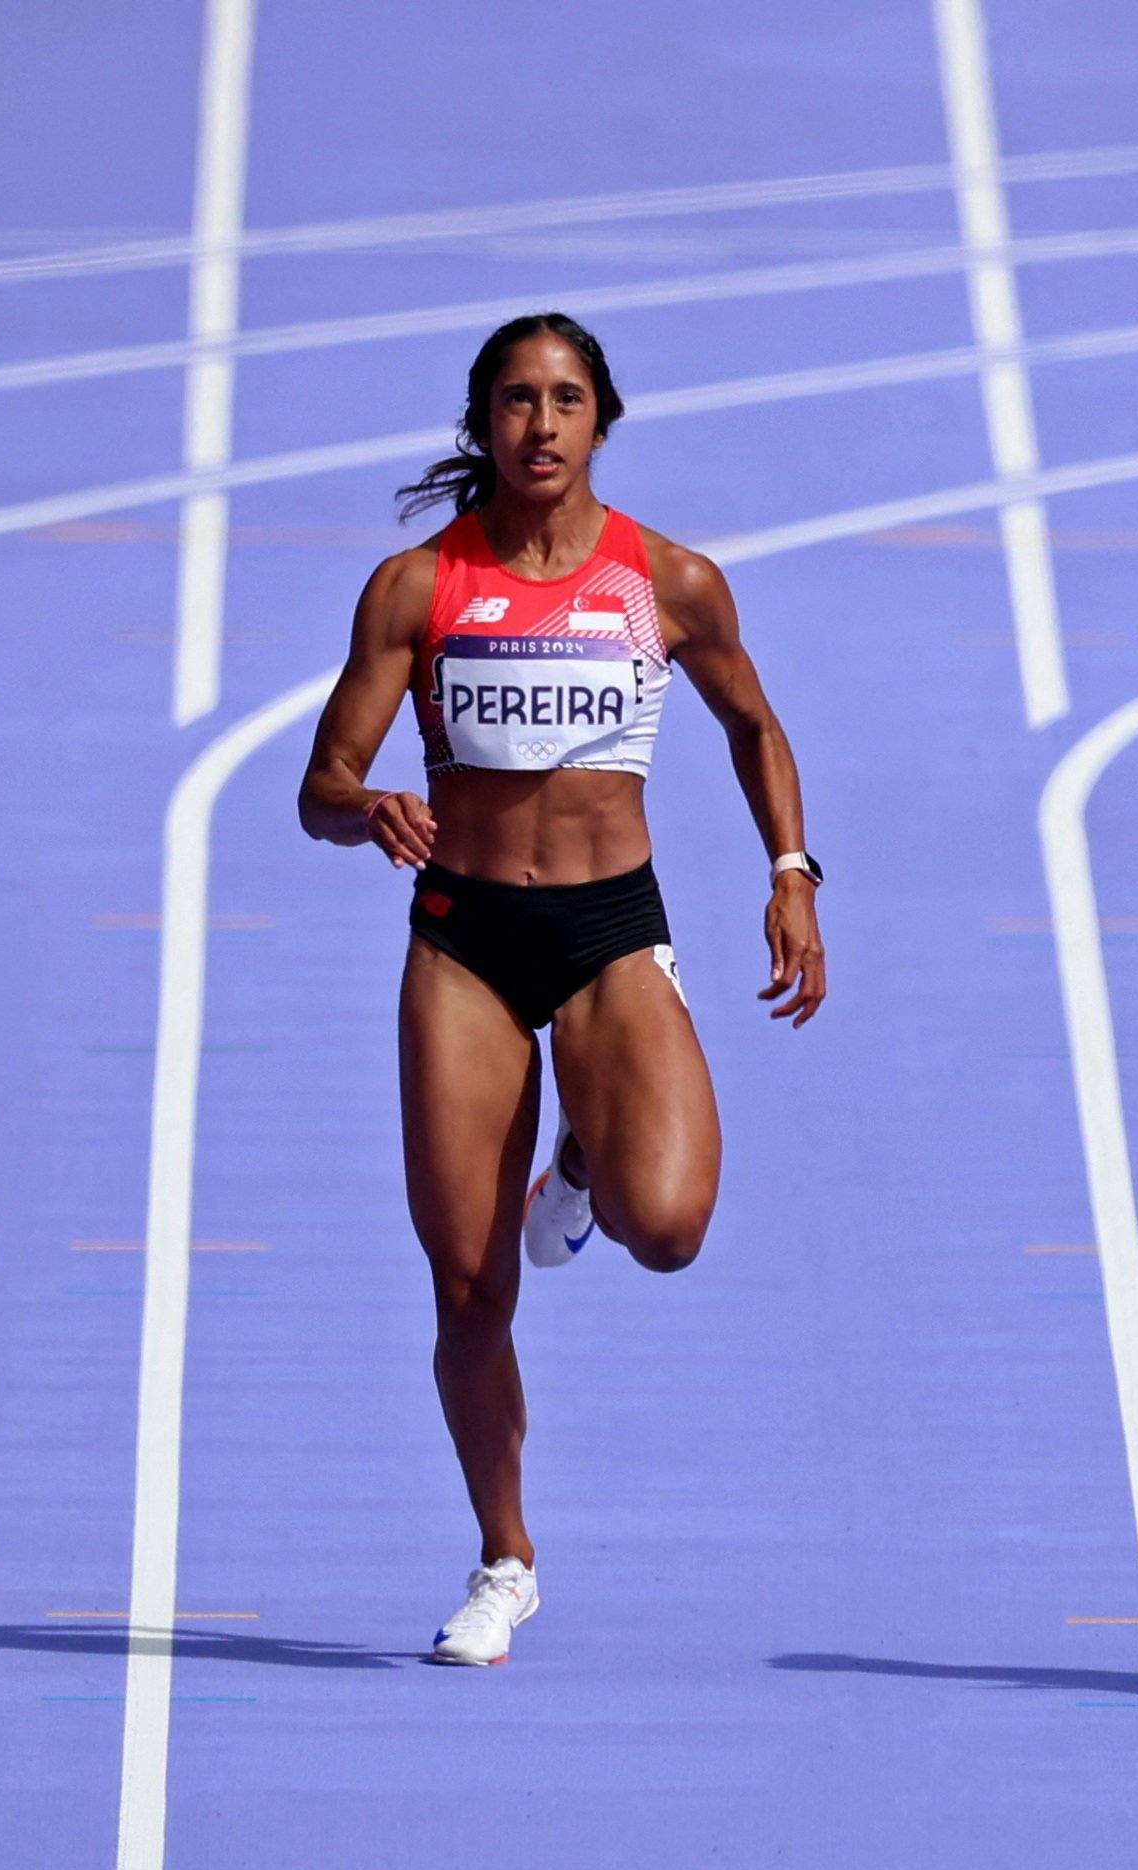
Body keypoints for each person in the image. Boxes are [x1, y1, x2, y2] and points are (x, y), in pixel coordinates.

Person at [296, 312, 825, 1666]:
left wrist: (790, 870)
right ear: (483, 421)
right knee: (469, 1291)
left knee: (669, 1226)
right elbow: (323, 787)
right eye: (518, 400)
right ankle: (504, 1558)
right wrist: (374, 815)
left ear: (602, 420)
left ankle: (585, 1154)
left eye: (567, 398)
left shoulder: (672, 580)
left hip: (605, 930)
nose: (542, 423)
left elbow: (754, 726)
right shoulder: (416, 589)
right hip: (466, 939)